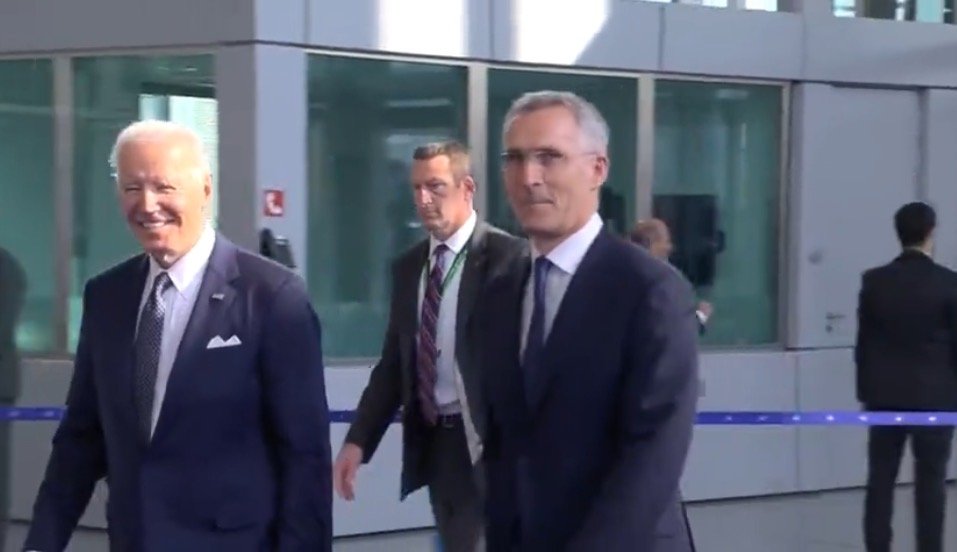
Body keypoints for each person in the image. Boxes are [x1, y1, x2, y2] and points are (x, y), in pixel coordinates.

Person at [24, 120, 332, 552]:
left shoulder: (272, 296)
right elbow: (81, 437)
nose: (148, 205)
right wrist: (42, 543)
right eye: (132, 188)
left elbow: (304, 455)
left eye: (163, 187)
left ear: (205, 189)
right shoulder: (107, 296)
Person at [479, 90, 700, 551]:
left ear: (597, 169)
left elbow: (651, 457)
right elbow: (505, 445)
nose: (528, 177)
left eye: (549, 157)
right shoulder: (499, 288)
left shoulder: (649, 290)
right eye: (514, 159)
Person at [333, 141, 523, 551]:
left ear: (466, 188)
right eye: (416, 188)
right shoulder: (409, 267)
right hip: (439, 444)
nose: (423, 200)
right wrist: (358, 441)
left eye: (435, 187)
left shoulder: (508, 260)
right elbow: (393, 365)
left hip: (492, 445)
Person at [856, 201, 957, 552]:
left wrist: (866, 393)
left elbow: (864, 344)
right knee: (931, 482)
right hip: (936, 397)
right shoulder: (949, 283)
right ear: (931, 232)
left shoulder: (874, 281)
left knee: (880, 480)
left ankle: (877, 546)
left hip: (884, 397)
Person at [630, 218, 713, 331]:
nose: (669, 247)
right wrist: (699, 317)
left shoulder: (620, 274)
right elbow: (673, 330)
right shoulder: (663, 281)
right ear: (651, 243)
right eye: (666, 241)